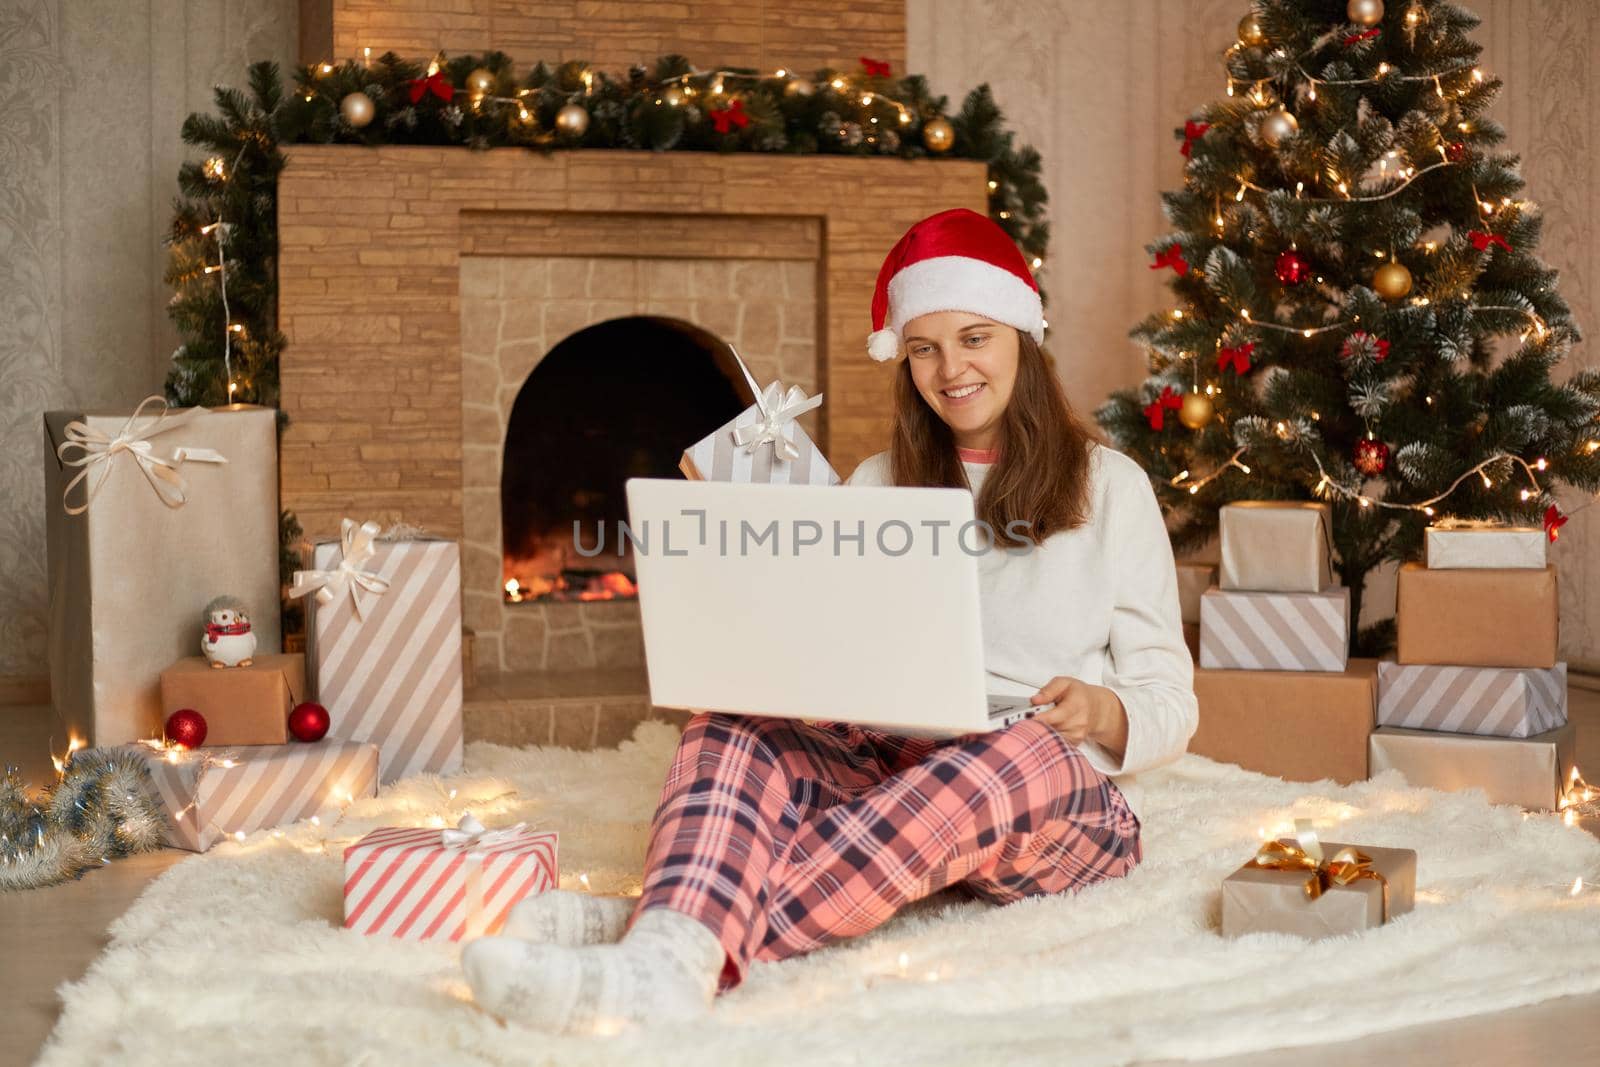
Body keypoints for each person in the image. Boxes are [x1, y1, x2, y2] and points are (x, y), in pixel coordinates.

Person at [463, 207, 1199, 1033]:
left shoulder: (1114, 486)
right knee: (729, 725)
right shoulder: (880, 482)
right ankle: (665, 957)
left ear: (1024, 338)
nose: (949, 368)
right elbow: (823, 648)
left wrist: (1107, 711)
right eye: (923, 347)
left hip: (1054, 794)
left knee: (1022, 751)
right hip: (894, 768)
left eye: (974, 338)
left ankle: (665, 928)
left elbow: (1171, 697)